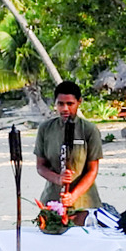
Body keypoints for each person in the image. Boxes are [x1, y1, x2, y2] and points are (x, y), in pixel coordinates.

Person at [35, 80, 104, 212]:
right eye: (60, 104)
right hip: (53, 200)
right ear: (55, 103)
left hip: (85, 202)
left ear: (79, 102)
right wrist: (58, 178)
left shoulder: (89, 130)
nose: (65, 108)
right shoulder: (45, 129)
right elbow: (40, 166)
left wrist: (73, 196)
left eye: (70, 104)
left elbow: (92, 170)